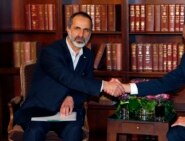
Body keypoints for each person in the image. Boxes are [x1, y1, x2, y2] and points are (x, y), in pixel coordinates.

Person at [14, 12, 124, 141]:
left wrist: (72, 98)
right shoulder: (50, 52)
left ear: (90, 33)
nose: (81, 35)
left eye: (86, 30)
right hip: (40, 109)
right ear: (68, 29)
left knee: (74, 132)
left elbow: (85, 87)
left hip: (68, 114)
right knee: (34, 132)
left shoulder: (87, 55)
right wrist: (104, 85)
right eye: (77, 28)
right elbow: (66, 77)